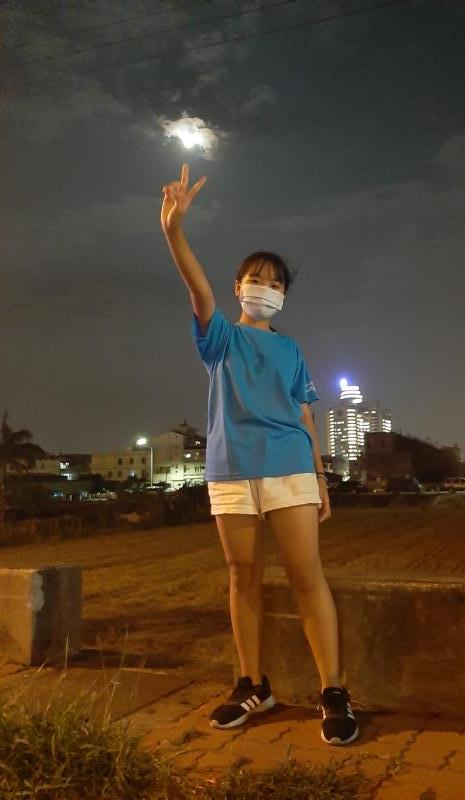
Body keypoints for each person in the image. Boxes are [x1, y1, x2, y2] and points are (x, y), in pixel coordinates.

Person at [160, 163, 358, 746]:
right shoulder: (220, 337)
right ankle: (252, 685)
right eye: (254, 278)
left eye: (274, 282)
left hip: (290, 467)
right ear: (238, 287)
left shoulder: (292, 350)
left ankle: (333, 690)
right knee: (241, 576)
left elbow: (306, 414)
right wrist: (174, 230)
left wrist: (320, 477)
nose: (263, 287)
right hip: (230, 471)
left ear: (283, 296)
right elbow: (197, 290)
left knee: (305, 575)